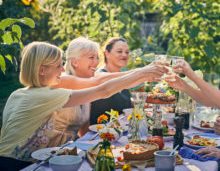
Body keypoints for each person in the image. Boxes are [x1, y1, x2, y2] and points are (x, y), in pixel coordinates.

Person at [0, 42, 167, 170]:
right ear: (42, 70)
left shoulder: (21, 93)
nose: (62, 70)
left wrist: (143, 75)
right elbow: (102, 90)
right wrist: (142, 72)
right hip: (15, 166)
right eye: (58, 66)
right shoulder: (44, 95)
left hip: (19, 161)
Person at [47, 37, 100, 147]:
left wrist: (92, 147)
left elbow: (84, 128)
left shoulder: (86, 87)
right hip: (48, 149)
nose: (97, 62)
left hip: (71, 149)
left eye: (97, 58)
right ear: (75, 62)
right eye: (91, 57)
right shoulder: (61, 81)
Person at [90, 37, 132, 125]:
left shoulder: (122, 77)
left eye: (127, 52)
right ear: (107, 54)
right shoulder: (100, 76)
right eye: (119, 51)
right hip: (99, 134)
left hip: (120, 133)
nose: (124, 55)